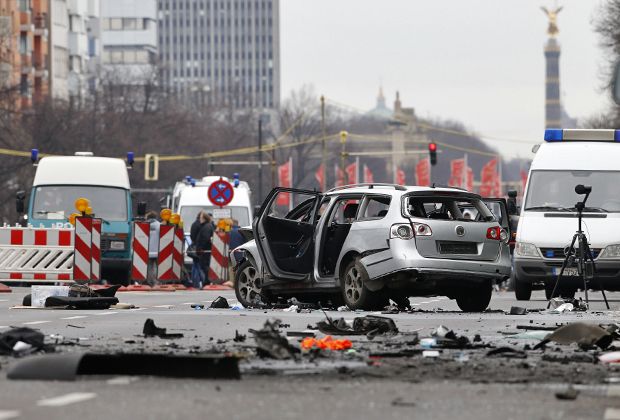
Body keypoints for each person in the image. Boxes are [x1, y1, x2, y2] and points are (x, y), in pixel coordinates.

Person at [225, 218, 247, 287]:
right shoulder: (241, 231)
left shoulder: (229, 231)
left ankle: (232, 283)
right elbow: (245, 242)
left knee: (231, 269)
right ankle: (239, 283)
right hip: (240, 254)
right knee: (239, 269)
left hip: (230, 254)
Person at [195, 212, 215, 285]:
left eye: (201, 218)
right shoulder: (207, 226)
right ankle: (207, 280)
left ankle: (207, 281)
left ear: (204, 219)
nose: (200, 219)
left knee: (205, 266)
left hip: (204, 251)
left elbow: (205, 238)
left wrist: (201, 248)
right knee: (205, 266)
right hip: (205, 250)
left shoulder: (206, 227)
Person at [189, 211, 205, 288]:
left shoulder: (193, 224)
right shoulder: (200, 225)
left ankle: (194, 282)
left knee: (194, 265)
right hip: (198, 248)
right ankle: (199, 282)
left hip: (193, 247)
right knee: (199, 266)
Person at [146, 211, 160, 286]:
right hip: (158, 250)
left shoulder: (145, 226)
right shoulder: (159, 225)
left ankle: (150, 282)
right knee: (159, 267)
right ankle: (158, 282)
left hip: (148, 250)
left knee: (150, 267)